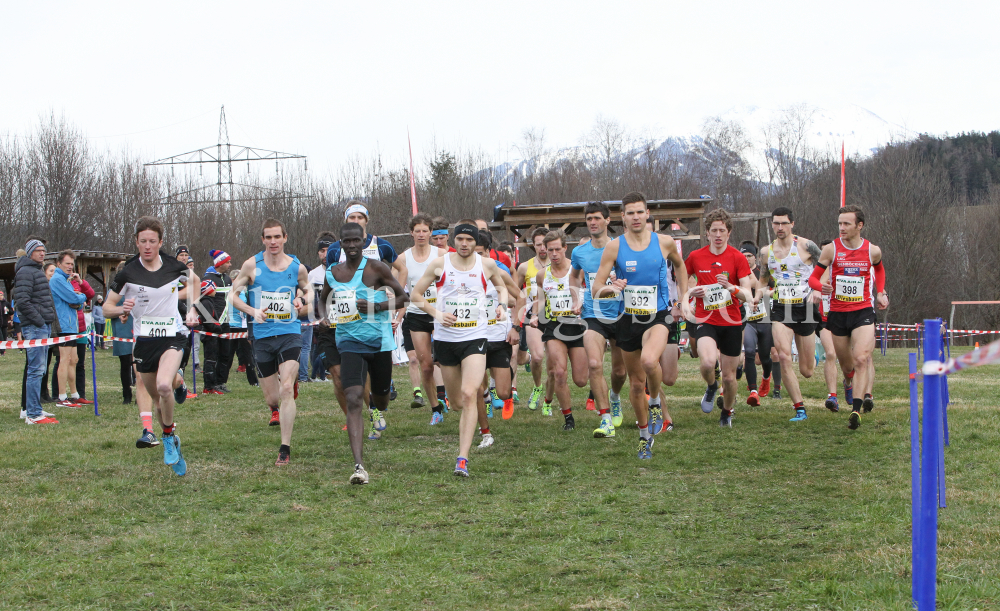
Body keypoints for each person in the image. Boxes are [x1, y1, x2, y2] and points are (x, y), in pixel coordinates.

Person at [593, 192, 690, 459]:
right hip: (628, 319)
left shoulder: (665, 242)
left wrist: (682, 299)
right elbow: (595, 289)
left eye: (640, 212)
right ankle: (644, 437)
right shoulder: (614, 247)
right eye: (630, 213)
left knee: (650, 361)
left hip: (658, 315)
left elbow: (681, 268)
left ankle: (656, 402)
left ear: (648, 214)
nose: (635, 217)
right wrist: (612, 289)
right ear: (622, 217)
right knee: (635, 385)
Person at [411, 220, 510, 477]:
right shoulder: (440, 264)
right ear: (454, 241)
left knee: (469, 394)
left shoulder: (486, 265)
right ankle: (479, 394)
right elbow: (416, 295)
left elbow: (502, 288)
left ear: (476, 242)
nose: (465, 244)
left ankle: (462, 459)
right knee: (456, 402)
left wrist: (501, 305)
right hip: (446, 339)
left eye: (469, 240)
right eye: (460, 239)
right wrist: (436, 312)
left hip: (475, 337)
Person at [103, 217, 200, 475]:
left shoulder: (173, 266)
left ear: (160, 242)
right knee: (158, 401)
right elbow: (106, 308)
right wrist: (119, 309)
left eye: (152, 241)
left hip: (172, 336)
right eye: (143, 241)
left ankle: (168, 437)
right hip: (144, 341)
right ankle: (179, 389)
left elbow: (197, 283)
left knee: (163, 385)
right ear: (136, 242)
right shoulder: (127, 273)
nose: (148, 246)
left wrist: (192, 309)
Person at [320, 222, 408, 484]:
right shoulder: (333, 272)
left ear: (364, 241)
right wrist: (325, 317)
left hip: (379, 342)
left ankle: (379, 406)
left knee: (380, 400)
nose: (351, 246)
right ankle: (359, 466)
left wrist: (377, 305)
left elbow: (404, 298)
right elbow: (323, 299)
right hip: (348, 341)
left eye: (356, 241)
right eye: (346, 242)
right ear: (340, 244)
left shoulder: (376, 268)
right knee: (354, 397)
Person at [231, 218, 313, 465]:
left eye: (277, 236)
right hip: (262, 336)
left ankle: (285, 448)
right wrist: (252, 311)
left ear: (285, 237)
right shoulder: (251, 266)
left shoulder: (296, 267)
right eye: (268, 237)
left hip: (289, 332)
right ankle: (278, 401)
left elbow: (309, 290)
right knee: (272, 399)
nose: (273, 241)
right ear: (263, 240)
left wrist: (302, 300)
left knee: (286, 388)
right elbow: (233, 296)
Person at [808, 205, 888, 430]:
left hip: (863, 311)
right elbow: (813, 279)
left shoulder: (872, 250)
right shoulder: (831, 250)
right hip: (838, 314)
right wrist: (820, 286)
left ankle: (856, 409)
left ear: (859, 226)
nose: (841, 228)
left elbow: (879, 271)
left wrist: (880, 292)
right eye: (839, 223)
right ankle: (848, 381)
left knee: (861, 358)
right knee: (847, 365)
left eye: (846, 224)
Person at [684, 207, 753, 428]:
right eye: (714, 230)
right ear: (707, 232)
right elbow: (683, 282)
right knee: (707, 362)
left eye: (722, 230)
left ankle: (727, 411)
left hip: (731, 321)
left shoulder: (737, 257)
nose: (718, 235)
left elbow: (748, 295)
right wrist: (689, 295)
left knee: (730, 377)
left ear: (728, 232)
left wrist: (731, 288)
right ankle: (712, 386)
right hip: (706, 319)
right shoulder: (696, 256)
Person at [757, 207, 822, 422]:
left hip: (805, 308)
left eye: (784, 223)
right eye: (776, 223)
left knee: (807, 371)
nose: (779, 227)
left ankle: (811, 357)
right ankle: (800, 408)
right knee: (784, 356)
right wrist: (759, 294)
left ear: (792, 224)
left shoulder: (806, 246)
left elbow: (826, 266)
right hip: (780, 308)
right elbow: (763, 279)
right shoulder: (766, 251)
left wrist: (817, 288)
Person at [396, 213, 450, 423]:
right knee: (426, 366)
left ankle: (451, 396)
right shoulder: (403, 258)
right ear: (411, 233)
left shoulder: (442, 254)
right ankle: (435, 408)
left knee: (446, 362)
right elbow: (396, 284)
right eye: (417, 231)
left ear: (431, 232)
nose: (421, 234)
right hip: (417, 316)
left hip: (440, 315)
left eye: (425, 231)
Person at [532, 230, 588, 431]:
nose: (554, 254)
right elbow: (539, 299)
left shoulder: (578, 270)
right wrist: (534, 315)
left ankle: (595, 395)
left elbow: (590, 291)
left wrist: (581, 303)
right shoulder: (542, 275)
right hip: (554, 327)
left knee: (581, 380)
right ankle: (569, 418)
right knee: (559, 372)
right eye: (549, 250)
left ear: (565, 248)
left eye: (557, 249)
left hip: (578, 326)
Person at [474, 229, 520, 444]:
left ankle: (505, 393)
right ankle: (485, 432)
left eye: (481, 253)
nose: (476, 258)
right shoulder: (459, 273)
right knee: (474, 388)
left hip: (499, 337)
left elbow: (519, 298)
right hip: (473, 338)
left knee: (502, 393)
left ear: (489, 252)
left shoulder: (498, 272)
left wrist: (516, 327)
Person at [14, 238, 59, 425]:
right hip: (35, 326)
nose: (42, 253)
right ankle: (33, 414)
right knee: (35, 370)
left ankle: (32, 408)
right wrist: (40, 321)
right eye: (38, 250)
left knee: (39, 370)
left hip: (42, 325)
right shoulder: (25, 271)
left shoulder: (36, 270)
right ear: (30, 252)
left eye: (44, 250)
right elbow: (22, 301)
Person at [514, 227, 554, 411]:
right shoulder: (524, 267)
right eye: (539, 245)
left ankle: (548, 398)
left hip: (555, 315)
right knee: (537, 358)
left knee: (554, 364)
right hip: (533, 316)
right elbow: (514, 291)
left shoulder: (560, 265)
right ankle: (537, 387)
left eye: (546, 244)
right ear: (534, 246)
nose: (543, 248)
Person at [737, 242, 775, 407]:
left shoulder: (762, 273)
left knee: (765, 356)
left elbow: (776, 288)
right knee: (750, 353)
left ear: (755, 257)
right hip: (748, 320)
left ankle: (766, 377)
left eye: (749, 256)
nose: (746, 259)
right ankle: (753, 392)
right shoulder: (738, 273)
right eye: (743, 256)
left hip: (765, 318)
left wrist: (764, 293)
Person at [49, 250, 88, 408]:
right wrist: (81, 297)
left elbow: (76, 303)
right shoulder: (57, 279)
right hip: (63, 325)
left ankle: (75, 395)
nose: (70, 267)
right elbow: (75, 298)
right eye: (67, 263)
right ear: (59, 264)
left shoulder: (65, 280)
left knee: (74, 360)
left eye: (72, 264)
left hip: (72, 325)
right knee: (64, 360)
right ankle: (61, 397)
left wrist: (78, 299)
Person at [201, 249, 235, 393]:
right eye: (227, 262)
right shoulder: (208, 279)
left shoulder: (227, 279)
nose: (230, 264)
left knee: (225, 354)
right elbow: (202, 303)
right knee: (211, 355)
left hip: (226, 323)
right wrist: (210, 321)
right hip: (212, 325)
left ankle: (221, 382)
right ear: (220, 263)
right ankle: (209, 386)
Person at [815, 240, 840, 412]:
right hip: (824, 320)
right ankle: (832, 396)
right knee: (830, 353)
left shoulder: (842, 270)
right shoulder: (816, 273)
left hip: (844, 318)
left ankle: (849, 382)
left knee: (849, 361)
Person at [307, 232, 335, 382]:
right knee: (317, 348)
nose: (325, 254)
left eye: (328, 250)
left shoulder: (344, 270)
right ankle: (317, 373)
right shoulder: (313, 274)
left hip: (341, 319)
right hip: (319, 320)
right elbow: (309, 297)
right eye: (322, 251)